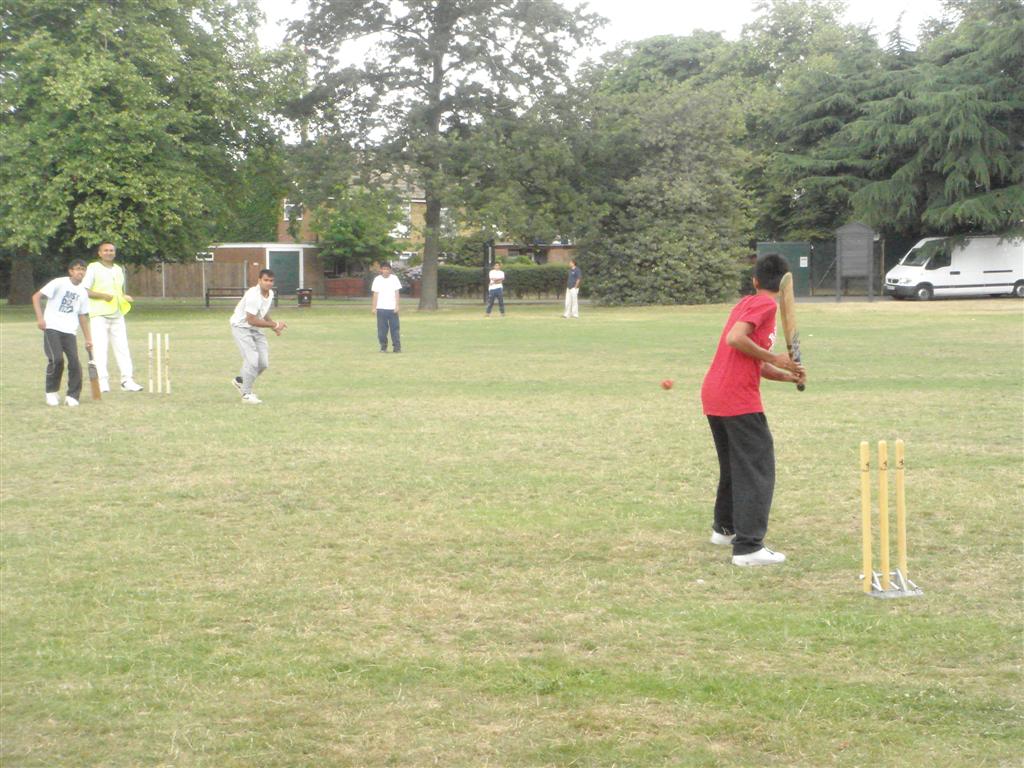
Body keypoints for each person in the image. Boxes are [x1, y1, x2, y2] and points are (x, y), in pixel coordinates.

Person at [700, 253, 806, 566]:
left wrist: (788, 375)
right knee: (757, 469)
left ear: (755, 280)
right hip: (736, 398)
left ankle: (726, 529)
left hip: (716, 394)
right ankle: (749, 548)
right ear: (786, 284)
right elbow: (736, 340)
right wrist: (776, 358)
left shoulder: (744, 304)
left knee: (735, 466)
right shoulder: (765, 305)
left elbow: (752, 359)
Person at [81, 241, 143, 392]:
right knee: (100, 349)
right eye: (106, 250)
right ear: (100, 253)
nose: (109, 253)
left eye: (111, 250)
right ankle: (102, 382)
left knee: (123, 348)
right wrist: (103, 296)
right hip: (99, 315)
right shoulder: (93, 267)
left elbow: (117, 291)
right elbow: (84, 290)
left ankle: (127, 381)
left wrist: (124, 296)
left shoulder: (118, 269)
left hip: (117, 313)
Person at [32, 259, 94, 407]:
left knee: (74, 363)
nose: (80, 272)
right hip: (52, 327)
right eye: (77, 269)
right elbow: (36, 297)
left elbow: (82, 316)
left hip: (70, 331)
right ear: (70, 271)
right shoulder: (59, 282)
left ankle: (73, 395)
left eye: (83, 269)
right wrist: (40, 319)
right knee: (57, 359)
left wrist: (88, 338)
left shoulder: (83, 292)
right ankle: (51, 392)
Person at [230, 269, 287, 404]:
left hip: (256, 329)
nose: (268, 283)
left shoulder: (270, 293)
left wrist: (274, 326)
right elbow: (251, 320)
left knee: (263, 363)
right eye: (265, 280)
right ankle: (246, 394)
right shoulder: (253, 295)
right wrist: (275, 324)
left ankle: (240, 381)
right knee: (252, 360)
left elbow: (262, 312)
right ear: (259, 280)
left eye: (271, 281)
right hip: (241, 327)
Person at [371, 262, 402, 352]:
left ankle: (397, 347)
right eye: (384, 269)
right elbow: (375, 294)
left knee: (395, 329)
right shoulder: (377, 279)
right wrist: (374, 307)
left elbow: (397, 293)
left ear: (390, 270)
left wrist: (397, 305)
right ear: (381, 270)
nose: (385, 271)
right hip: (381, 308)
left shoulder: (394, 279)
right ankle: (383, 346)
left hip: (392, 309)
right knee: (382, 330)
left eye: (387, 269)